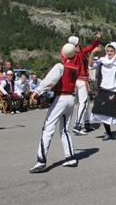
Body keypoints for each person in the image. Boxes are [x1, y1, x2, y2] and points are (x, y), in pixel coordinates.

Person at [29, 43, 79, 173]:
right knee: (65, 129)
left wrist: (38, 91)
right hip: (70, 98)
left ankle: (41, 160)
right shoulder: (75, 67)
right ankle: (70, 157)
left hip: (61, 98)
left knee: (48, 128)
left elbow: (50, 80)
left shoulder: (60, 66)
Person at [90, 43, 116, 140]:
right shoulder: (102, 62)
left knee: (114, 112)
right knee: (102, 112)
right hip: (103, 90)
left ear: (115, 51)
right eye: (108, 51)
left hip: (114, 90)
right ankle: (108, 132)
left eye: (111, 51)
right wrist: (92, 53)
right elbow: (90, 65)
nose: (109, 53)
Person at [68, 34, 101, 136]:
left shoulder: (74, 54)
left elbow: (89, 48)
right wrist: (96, 41)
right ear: (77, 43)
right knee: (83, 102)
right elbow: (89, 49)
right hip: (81, 80)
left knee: (86, 102)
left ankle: (86, 123)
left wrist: (96, 40)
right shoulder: (77, 54)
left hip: (78, 80)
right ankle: (77, 126)